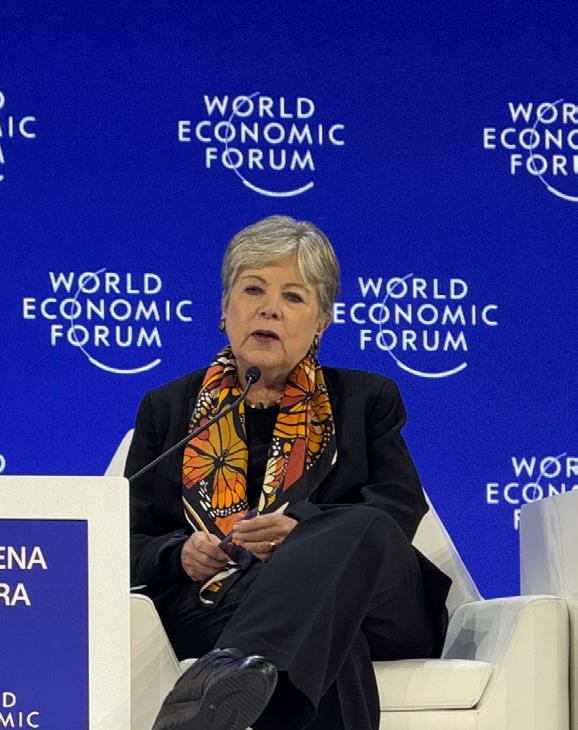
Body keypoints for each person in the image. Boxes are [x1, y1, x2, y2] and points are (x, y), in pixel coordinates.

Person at [125, 215, 452, 730]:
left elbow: (398, 505)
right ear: (224, 308)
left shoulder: (366, 399)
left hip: (379, 602)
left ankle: (220, 675)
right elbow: (123, 541)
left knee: (360, 525)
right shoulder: (167, 409)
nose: (269, 308)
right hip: (224, 601)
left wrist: (304, 531)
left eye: (294, 297)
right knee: (329, 636)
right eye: (253, 289)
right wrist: (179, 554)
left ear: (322, 322)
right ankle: (233, 682)